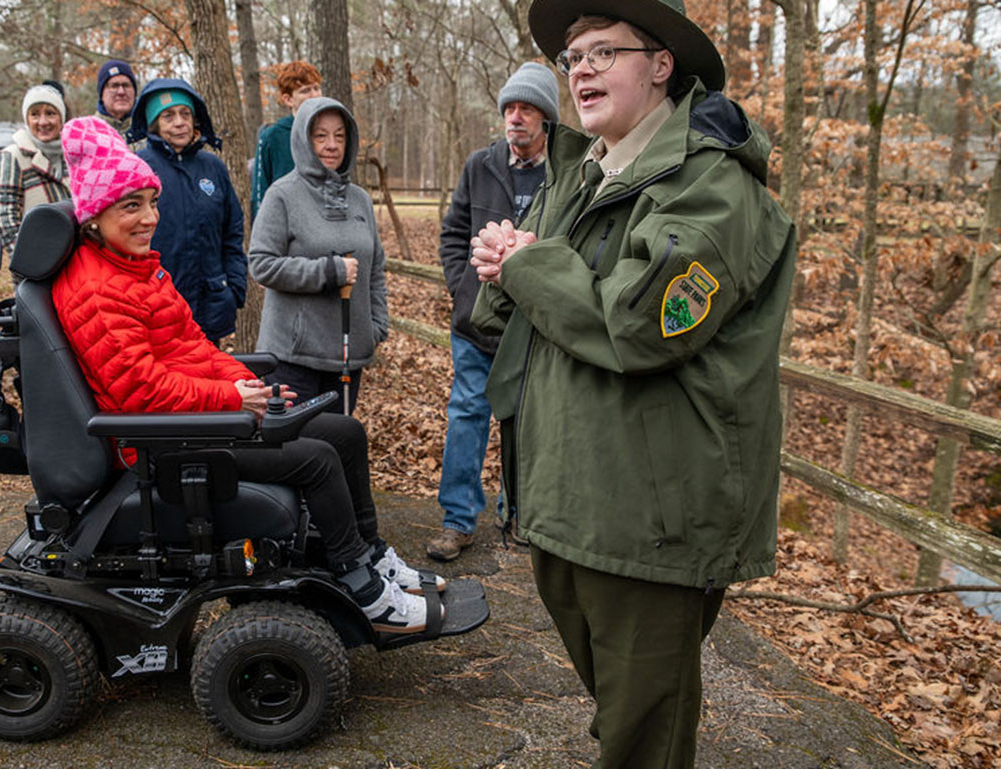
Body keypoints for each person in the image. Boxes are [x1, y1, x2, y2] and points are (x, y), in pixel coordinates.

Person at [470, 1, 797, 765]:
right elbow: (510, 320)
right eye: (572, 56)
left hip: (652, 507)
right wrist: (505, 263)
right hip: (570, 492)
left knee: (642, 729)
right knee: (621, 702)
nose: (580, 68)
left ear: (660, 65)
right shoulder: (583, 176)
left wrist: (527, 264)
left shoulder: (711, 186)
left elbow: (640, 323)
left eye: (603, 52)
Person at [52, 116, 443, 635]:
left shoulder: (136, 267)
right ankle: (362, 588)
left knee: (344, 432)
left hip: (200, 416)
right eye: (132, 206)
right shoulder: (97, 289)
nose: (150, 218)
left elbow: (194, 345)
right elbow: (139, 392)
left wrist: (248, 387)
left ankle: (370, 555)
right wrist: (229, 398)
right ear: (94, 216)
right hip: (162, 442)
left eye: (151, 201)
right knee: (317, 459)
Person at [426, 63, 560, 563]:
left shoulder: (566, 172)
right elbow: (452, 233)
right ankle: (457, 520)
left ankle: (519, 514)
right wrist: (461, 288)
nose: (515, 117)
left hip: (532, 327)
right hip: (475, 325)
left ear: (546, 117)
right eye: (509, 108)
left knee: (526, 418)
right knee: (466, 414)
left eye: (526, 109)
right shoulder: (480, 166)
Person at [249, 97, 388, 415]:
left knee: (337, 446)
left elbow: (375, 268)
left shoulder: (360, 200)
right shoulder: (282, 195)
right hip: (292, 358)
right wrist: (328, 273)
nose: (331, 145)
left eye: (340, 136)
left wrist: (376, 325)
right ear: (303, 139)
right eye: (321, 135)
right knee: (301, 452)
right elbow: (261, 264)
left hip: (346, 355)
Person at [127, 79, 247, 344]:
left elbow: (232, 231)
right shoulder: (138, 167)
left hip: (210, 305)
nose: (179, 122)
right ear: (153, 123)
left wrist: (234, 288)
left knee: (209, 381)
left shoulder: (212, 167)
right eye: (168, 116)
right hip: (156, 309)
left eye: (185, 114)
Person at [0, 84, 72, 258]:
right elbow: (4, 216)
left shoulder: (73, 153)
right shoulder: (13, 155)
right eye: (35, 114)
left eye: (50, 113)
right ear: (27, 119)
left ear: (61, 117)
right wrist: (28, 259)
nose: (43, 122)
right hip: (37, 264)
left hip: (76, 262)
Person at [250, 61, 323, 219]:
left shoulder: (330, 133)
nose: (314, 95)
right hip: (285, 226)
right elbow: (259, 195)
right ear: (288, 99)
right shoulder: (271, 137)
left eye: (317, 88)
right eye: (305, 91)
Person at [94, 59, 137, 136]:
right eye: (114, 86)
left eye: (126, 85)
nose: (121, 92)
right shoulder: (89, 133)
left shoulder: (150, 132)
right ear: (102, 94)